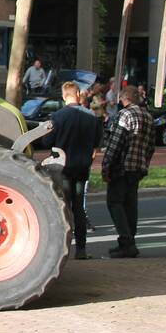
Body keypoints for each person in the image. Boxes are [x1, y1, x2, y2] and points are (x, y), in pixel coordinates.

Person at [42, 81, 102, 260]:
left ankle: (63, 249)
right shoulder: (91, 116)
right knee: (78, 207)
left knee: (63, 207)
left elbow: (46, 142)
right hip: (83, 165)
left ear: (63, 96)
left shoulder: (58, 116)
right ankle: (81, 249)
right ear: (78, 94)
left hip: (62, 166)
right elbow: (97, 142)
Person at [101, 85, 156, 258]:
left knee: (115, 202)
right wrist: (144, 163)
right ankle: (130, 240)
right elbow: (151, 146)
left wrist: (106, 165)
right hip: (138, 167)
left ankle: (126, 241)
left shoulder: (125, 114)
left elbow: (115, 143)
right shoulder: (148, 116)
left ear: (125, 99)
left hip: (122, 167)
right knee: (130, 204)